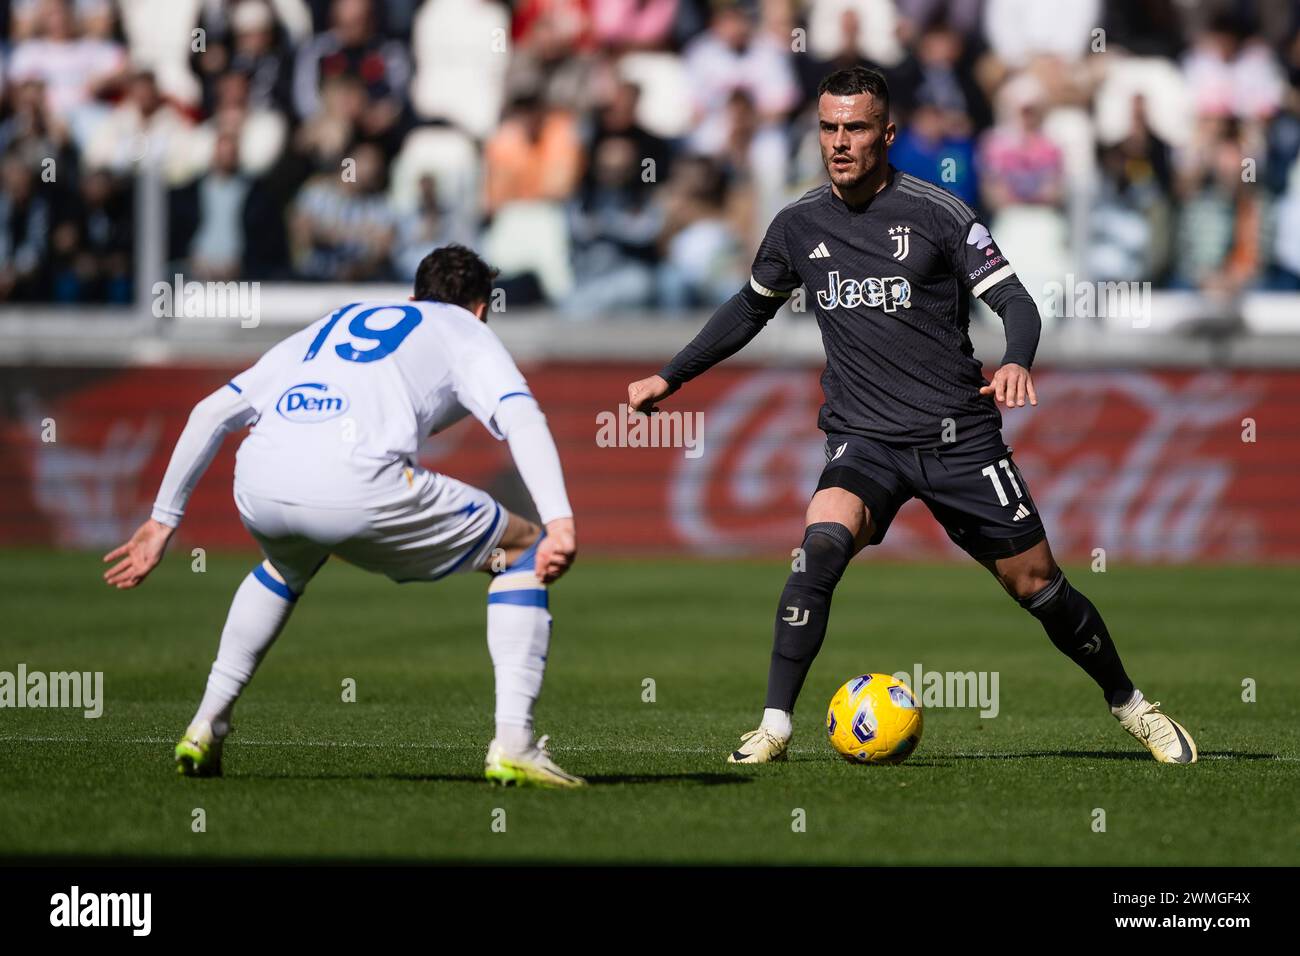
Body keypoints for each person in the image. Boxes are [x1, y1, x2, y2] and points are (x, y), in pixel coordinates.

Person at [625, 67, 1198, 765]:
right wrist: (669, 375)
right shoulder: (798, 224)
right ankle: (773, 726)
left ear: (887, 134)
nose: (840, 143)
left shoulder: (939, 213)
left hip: (958, 435)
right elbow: (749, 307)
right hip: (864, 438)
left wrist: (1017, 359)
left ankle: (1133, 707)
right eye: (829, 128)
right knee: (821, 547)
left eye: (856, 128)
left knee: (1037, 583)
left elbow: (1016, 300)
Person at [102, 244, 585, 787]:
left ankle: (205, 726)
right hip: (359, 481)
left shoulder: (341, 319)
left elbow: (211, 412)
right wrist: (559, 518)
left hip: (260, 479)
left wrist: (163, 521)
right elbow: (521, 415)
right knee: (521, 552)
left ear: (411, 296)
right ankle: (514, 745)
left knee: (285, 568)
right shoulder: (466, 330)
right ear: (480, 308)